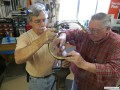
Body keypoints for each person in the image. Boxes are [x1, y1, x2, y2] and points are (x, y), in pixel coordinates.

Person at [57, 12, 120, 90]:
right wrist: (63, 36)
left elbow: (115, 70)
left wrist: (83, 64)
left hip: (100, 86)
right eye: (89, 29)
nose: (90, 33)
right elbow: (68, 32)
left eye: (95, 31)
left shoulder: (116, 43)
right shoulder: (86, 33)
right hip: (79, 81)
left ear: (107, 29)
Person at [14, 2, 63, 90]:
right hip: (36, 81)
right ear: (30, 22)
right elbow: (18, 59)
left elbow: (60, 50)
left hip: (53, 76)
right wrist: (42, 39)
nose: (42, 24)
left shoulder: (51, 33)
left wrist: (62, 53)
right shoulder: (24, 37)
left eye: (44, 20)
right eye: (37, 21)